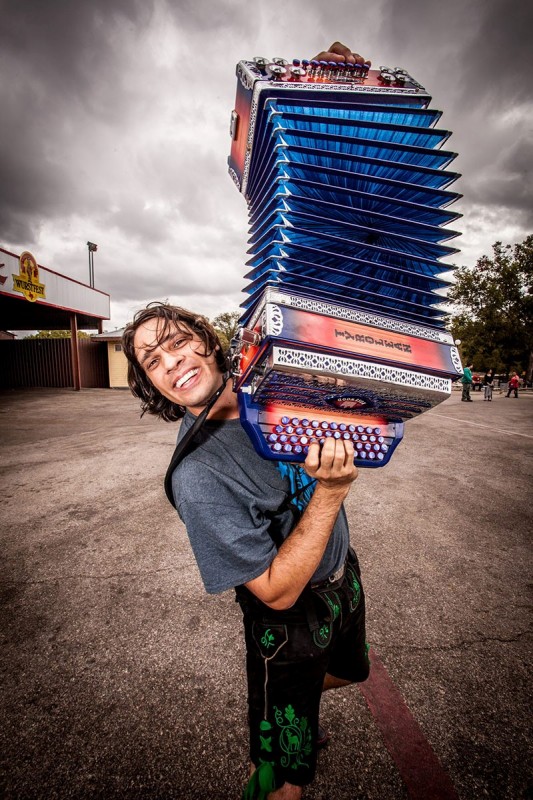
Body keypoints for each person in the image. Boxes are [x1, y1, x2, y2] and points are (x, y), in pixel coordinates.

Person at [122, 39, 372, 800]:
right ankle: (277, 743)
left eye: (176, 342)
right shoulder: (195, 476)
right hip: (285, 621)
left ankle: (297, 707)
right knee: (282, 777)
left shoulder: (270, 378)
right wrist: (328, 495)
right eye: (152, 361)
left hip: (342, 578)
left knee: (342, 672)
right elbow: (272, 593)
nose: (171, 360)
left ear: (205, 340)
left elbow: (326, 267)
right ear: (155, 388)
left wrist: (334, 105)